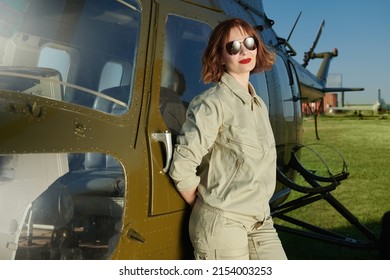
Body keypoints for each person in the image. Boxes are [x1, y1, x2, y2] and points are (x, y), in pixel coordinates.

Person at [169, 18, 287, 260]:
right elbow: (181, 167)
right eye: (233, 47)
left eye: (250, 43)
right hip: (224, 224)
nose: (244, 51)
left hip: (261, 220)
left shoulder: (258, 104)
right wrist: (209, 208)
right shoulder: (212, 103)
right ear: (221, 57)